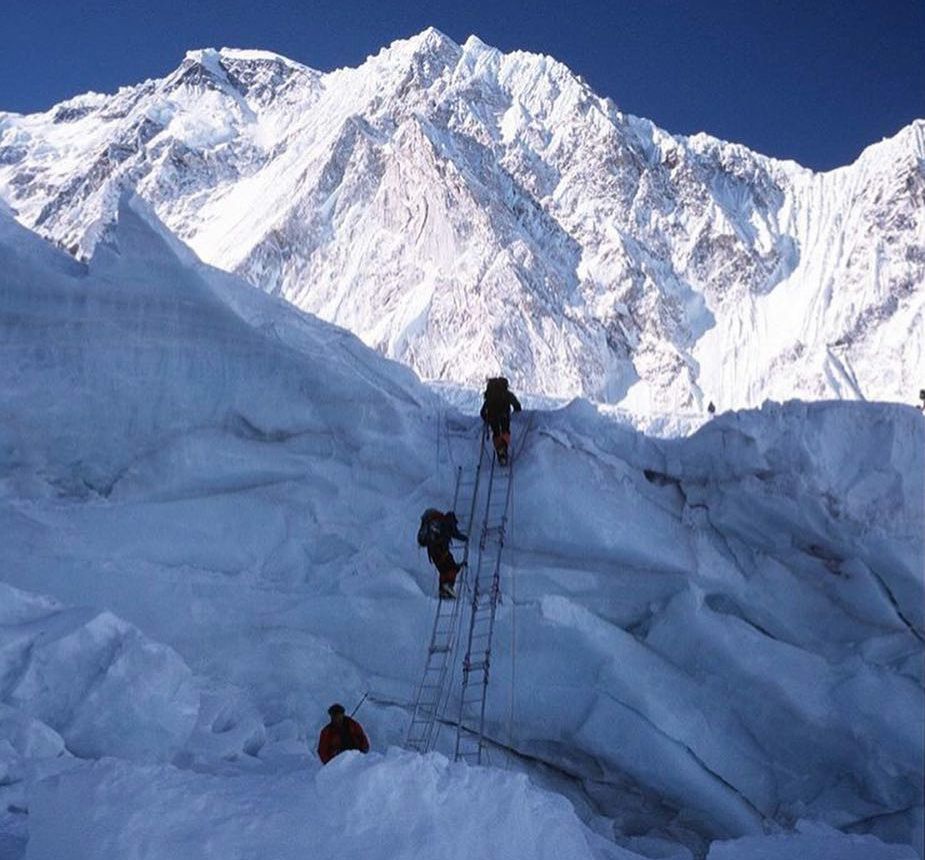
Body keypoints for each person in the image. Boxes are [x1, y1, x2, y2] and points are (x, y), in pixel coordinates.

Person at [418, 509, 468, 599]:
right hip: (440, 550)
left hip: (433, 551)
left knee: (444, 570)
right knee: (450, 567)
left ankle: (443, 590)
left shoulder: (438, 524)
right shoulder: (446, 523)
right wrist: (466, 538)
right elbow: (456, 534)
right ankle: (447, 587)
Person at [480, 377, 522, 464]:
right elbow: (517, 405)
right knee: (505, 431)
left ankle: (499, 449)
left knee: (496, 433)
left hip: (492, 417)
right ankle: (503, 447)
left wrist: (486, 419)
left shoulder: (490, 395)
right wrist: (517, 411)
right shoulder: (507, 394)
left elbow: (482, 412)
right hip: (504, 415)